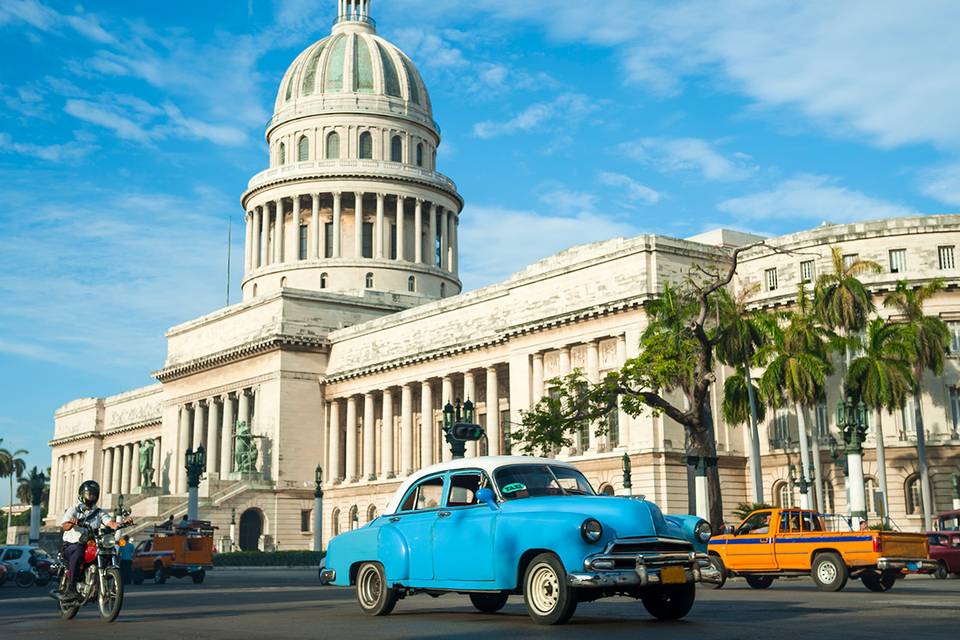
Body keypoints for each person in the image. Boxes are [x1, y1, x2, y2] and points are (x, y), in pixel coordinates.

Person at [54, 480, 130, 602]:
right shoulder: (74, 510)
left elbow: (110, 523)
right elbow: (65, 526)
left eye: (94, 495)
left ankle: (102, 582)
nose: (92, 497)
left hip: (91, 544)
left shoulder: (99, 512)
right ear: (82, 494)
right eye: (89, 494)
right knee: (79, 552)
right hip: (71, 545)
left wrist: (122, 523)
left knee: (108, 552)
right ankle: (71, 588)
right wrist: (72, 523)